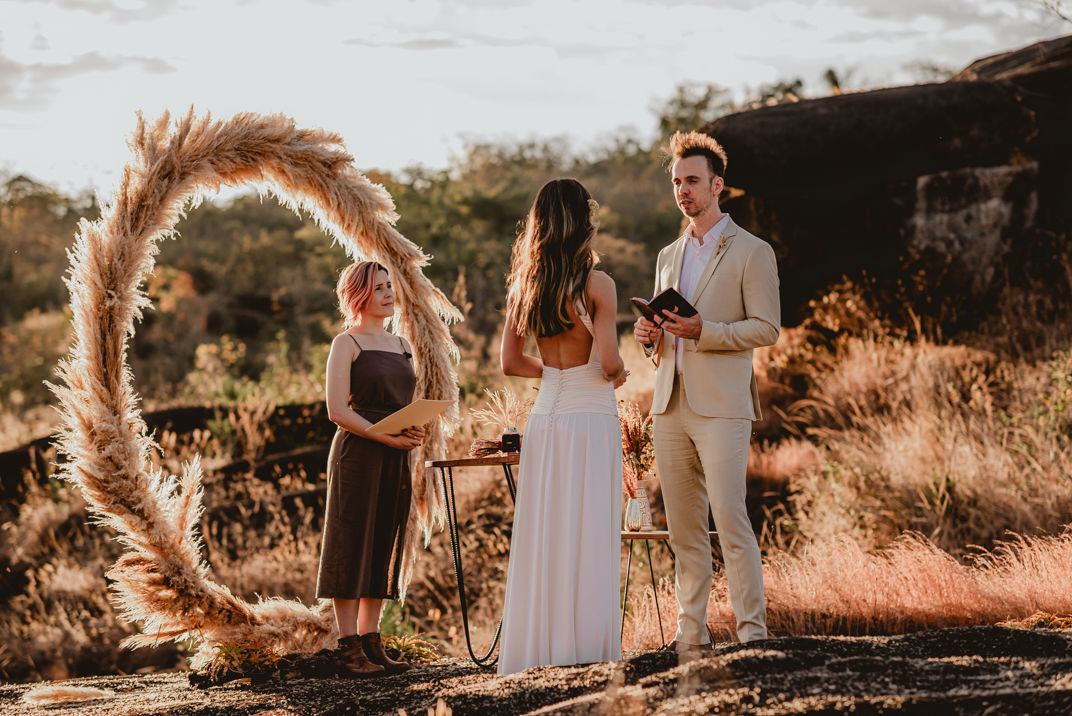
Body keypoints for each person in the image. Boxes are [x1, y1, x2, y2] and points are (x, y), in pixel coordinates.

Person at [633, 131, 780, 651]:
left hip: (722, 407)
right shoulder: (667, 255)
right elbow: (665, 331)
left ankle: (752, 635)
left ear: (718, 185)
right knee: (684, 533)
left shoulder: (752, 251)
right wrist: (649, 335)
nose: (683, 190)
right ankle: (689, 635)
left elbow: (767, 328)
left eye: (692, 180)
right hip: (669, 404)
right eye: (676, 181)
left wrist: (705, 332)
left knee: (732, 521)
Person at [497, 178, 629, 674]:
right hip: (590, 416)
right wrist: (616, 372)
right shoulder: (598, 284)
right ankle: (585, 653)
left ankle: (537, 650)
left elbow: (511, 363)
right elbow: (611, 363)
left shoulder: (523, 285)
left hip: (545, 418)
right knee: (588, 529)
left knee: (545, 532)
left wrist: (555, 372)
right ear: (584, 220)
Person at [316, 261, 425, 677]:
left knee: (383, 538)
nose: (387, 294)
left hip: (395, 453)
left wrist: (413, 426)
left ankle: (371, 642)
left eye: (389, 287)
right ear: (358, 294)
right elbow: (337, 410)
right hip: (358, 454)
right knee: (350, 544)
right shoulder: (346, 343)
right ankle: (347, 648)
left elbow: (400, 402)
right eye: (378, 288)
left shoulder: (401, 345)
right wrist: (386, 436)